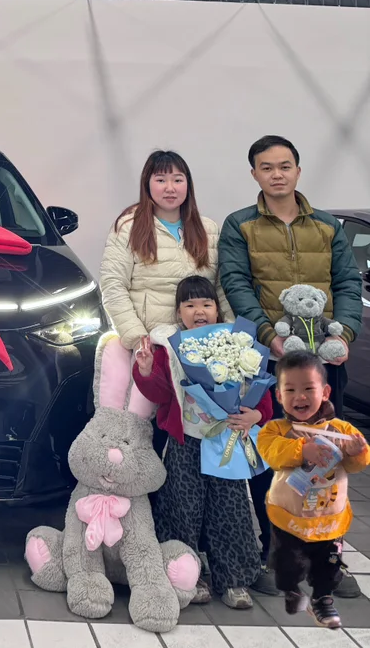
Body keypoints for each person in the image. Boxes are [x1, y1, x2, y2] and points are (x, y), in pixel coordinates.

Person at [218, 135, 363, 597]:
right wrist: (268, 336)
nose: (277, 174)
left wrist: (345, 334)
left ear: (298, 171)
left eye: (285, 166)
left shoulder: (326, 225)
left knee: (328, 457)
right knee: (273, 458)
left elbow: (347, 281)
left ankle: (328, 558)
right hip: (270, 361)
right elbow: (236, 283)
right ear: (254, 174)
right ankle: (274, 553)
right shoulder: (240, 224)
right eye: (267, 167)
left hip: (323, 362)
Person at [133, 275, 272, 609]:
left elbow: (260, 388)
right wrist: (147, 370)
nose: (199, 311)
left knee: (231, 510)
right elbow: (161, 395)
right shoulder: (170, 347)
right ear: (178, 312)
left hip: (227, 443)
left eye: (206, 304)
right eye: (190, 304)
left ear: (217, 309)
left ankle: (234, 579)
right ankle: (185, 576)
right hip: (185, 443)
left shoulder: (237, 343)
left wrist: (256, 415)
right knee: (182, 509)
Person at [257, 353, 370, 630]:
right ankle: (291, 590)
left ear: (325, 392)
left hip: (329, 517)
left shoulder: (341, 430)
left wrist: (358, 452)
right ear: (279, 396)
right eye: (290, 390)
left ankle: (323, 598)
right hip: (289, 517)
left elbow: (355, 465)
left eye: (309, 388)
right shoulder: (275, 430)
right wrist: (301, 450)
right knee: (287, 565)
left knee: (329, 564)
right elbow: (271, 454)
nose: (300, 396)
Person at [100, 150, 229, 356]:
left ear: (188, 185)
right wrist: (138, 339)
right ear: (147, 184)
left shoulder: (209, 229)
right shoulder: (128, 228)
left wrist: (230, 331)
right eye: (160, 180)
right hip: (152, 344)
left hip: (204, 341)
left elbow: (221, 286)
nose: (170, 188)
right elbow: (113, 285)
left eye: (177, 180)